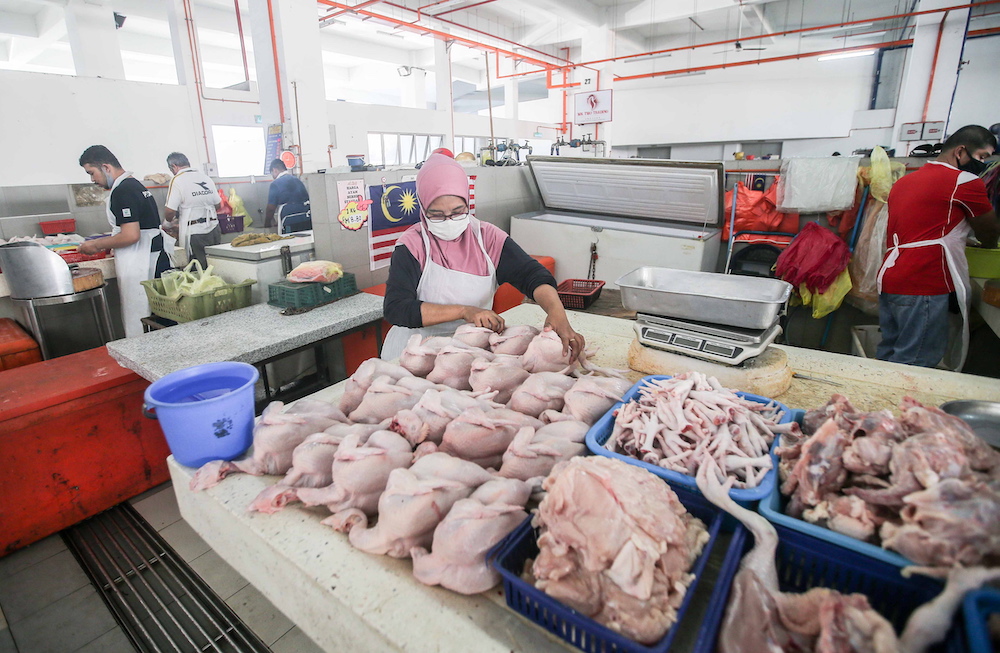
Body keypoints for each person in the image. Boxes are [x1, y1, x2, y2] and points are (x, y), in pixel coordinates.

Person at [381, 152, 584, 361]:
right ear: (423, 209)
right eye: (437, 215)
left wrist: (556, 311)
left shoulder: (487, 238)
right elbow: (397, 308)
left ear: (467, 203)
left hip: (471, 349)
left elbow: (531, 275)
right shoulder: (411, 246)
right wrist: (464, 311)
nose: (449, 221)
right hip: (415, 352)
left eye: (458, 211)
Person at [876, 124, 999, 370]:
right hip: (924, 279)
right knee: (915, 364)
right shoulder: (964, 182)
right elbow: (989, 230)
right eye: (982, 156)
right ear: (960, 152)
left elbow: (924, 227)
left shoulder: (905, 182)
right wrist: (988, 244)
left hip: (891, 277)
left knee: (889, 356)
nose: (984, 163)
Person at [77, 145, 163, 339]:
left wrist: (96, 245)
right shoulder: (134, 185)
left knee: (142, 317)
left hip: (143, 262)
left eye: (91, 173)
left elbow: (131, 235)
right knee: (155, 317)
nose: (92, 180)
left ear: (106, 167)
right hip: (153, 257)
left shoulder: (123, 190)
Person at [162, 152, 222, 268]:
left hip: (195, 233)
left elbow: (170, 211)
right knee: (215, 265)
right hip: (214, 229)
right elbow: (218, 205)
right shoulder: (205, 178)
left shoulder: (177, 180)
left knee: (197, 269)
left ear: (173, 166)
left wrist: (168, 224)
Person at [265, 159, 311, 233]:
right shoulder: (297, 180)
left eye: (272, 174)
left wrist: (267, 223)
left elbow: (271, 208)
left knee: (289, 239)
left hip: (289, 221)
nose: (273, 177)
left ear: (274, 170)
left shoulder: (275, 184)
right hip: (306, 218)